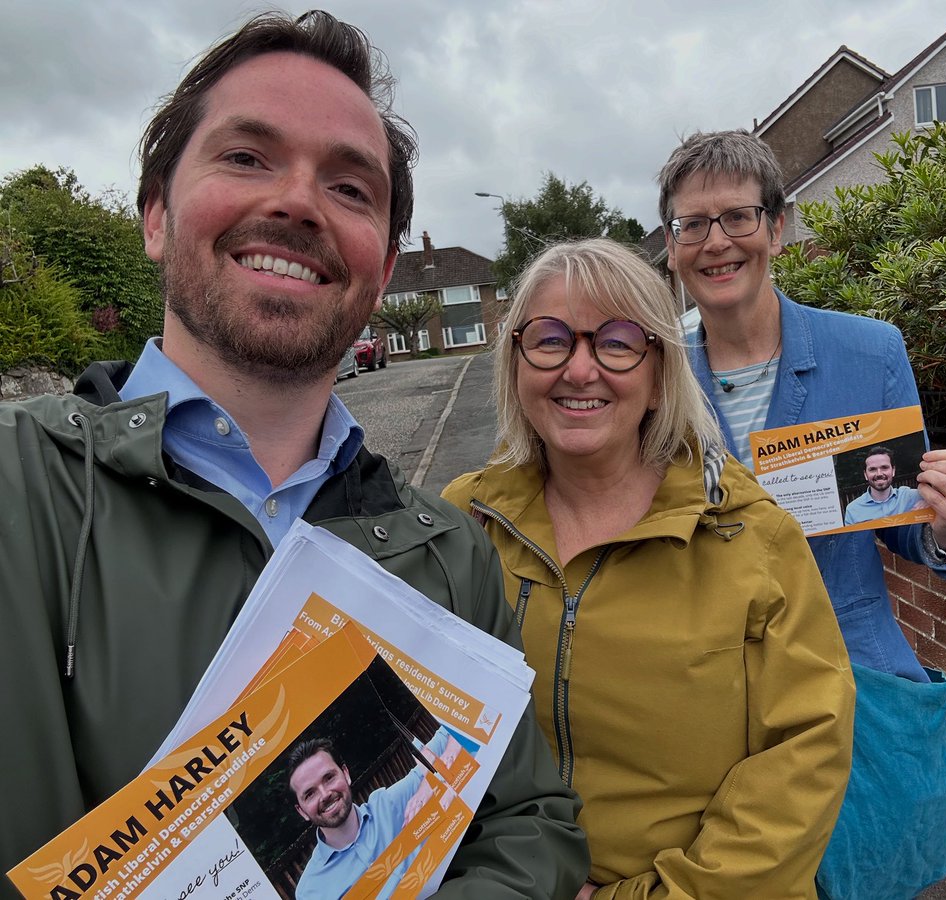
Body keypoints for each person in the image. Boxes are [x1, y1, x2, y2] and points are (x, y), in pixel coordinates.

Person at [0, 12, 587, 899]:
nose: (300, 203)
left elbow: (529, 825)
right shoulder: (18, 488)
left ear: (384, 269)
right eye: (246, 157)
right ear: (156, 213)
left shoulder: (449, 554)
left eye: (352, 189)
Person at [443, 238, 855, 899]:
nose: (580, 370)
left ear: (661, 370)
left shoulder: (752, 536)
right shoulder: (463, 520)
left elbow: (805, 756)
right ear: (515, 363)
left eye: (616, 341)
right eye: (550, 340)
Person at [657, 130, 946, 900]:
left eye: (737, 218)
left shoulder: (869, 353)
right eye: (692, 224)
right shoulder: (652, 375)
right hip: (703, 704)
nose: (717, 243)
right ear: (672, 246)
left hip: (851, 690)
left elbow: (906, 521)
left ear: (777, 227)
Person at [288, 734, 444, 899]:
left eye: (329, 778)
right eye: (310, 794)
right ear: (302, 811)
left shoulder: (387, 803)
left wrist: (427, 785)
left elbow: (446, 737)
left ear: (346, 774)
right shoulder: (309, 891)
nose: (325, 794)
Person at [842, 445, 925, 525]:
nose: (879, 474)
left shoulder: (912, 496)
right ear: (865, 474)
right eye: (872, 469)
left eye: (884, 467)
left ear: (893, 471)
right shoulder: (853, 510)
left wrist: (929, 502)